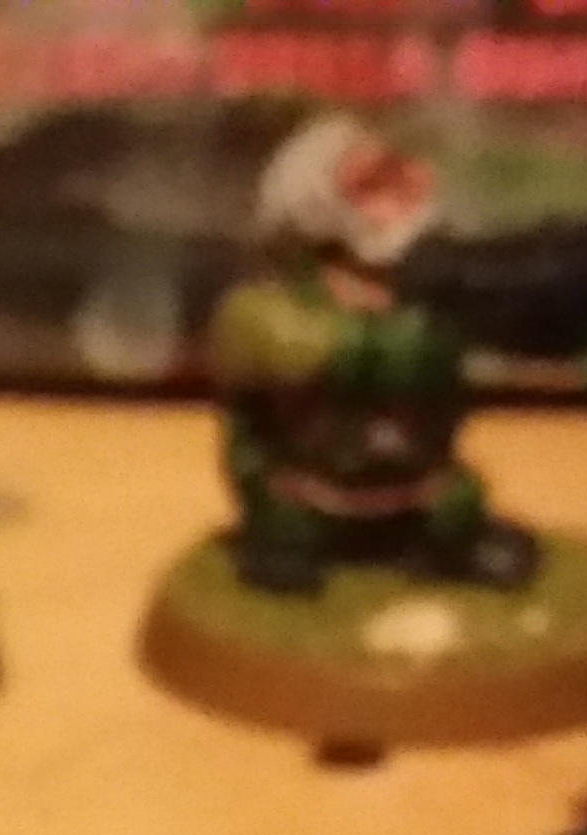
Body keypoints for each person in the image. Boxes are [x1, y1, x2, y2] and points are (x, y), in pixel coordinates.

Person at [208, 113, 537, 595]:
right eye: (373, 184)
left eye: (403, 176)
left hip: (413, 486)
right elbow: (289, 369)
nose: (405, 193)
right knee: (288, 534)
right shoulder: (267, 310)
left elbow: (449, 396)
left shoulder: (427, 301)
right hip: (310, 489)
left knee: (459, 506)